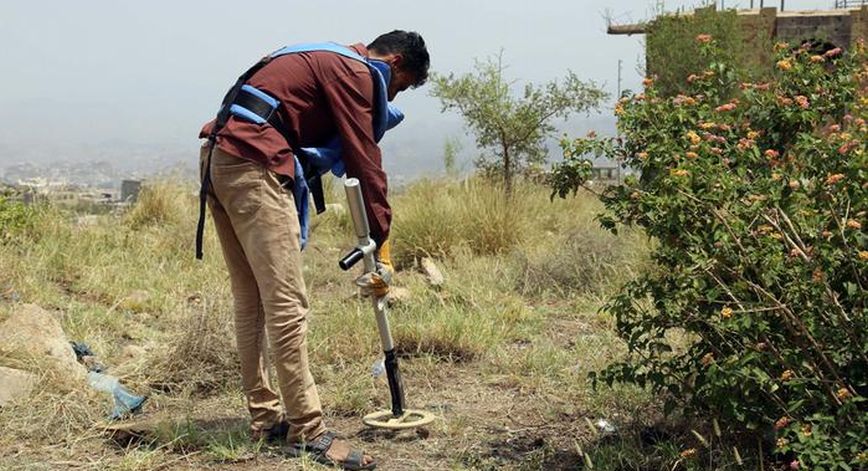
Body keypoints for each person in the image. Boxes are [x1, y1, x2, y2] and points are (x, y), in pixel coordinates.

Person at [197, 30, 430, 470]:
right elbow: (364, 157)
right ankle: (308, 430)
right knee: (287, 304)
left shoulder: (320, 55)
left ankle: (265, 419)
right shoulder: (356, 72)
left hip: (220, 157)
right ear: (396, 64)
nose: (388, 95)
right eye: (398, 87)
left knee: (252, 301)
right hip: (254, 162)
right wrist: (382, 242)